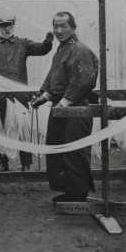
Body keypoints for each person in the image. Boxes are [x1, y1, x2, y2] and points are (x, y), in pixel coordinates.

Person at [30, 12, 99, 205]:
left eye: (63, 26)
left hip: (75, 108)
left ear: (73, 28)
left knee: (74, 150)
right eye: (55, 26)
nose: (58, 31)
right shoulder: (61, 50)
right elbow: (55, 77)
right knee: (58, 149)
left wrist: (65, 103)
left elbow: (84, 81)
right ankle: (69, 191)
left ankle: (79, 193)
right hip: (61, 106)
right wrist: (44, 96)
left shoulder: (81, 50)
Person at [0, 12, 54, 172]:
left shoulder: (23, 43)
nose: (7, 28)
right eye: (3, 25)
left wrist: (48, 42)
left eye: (10, 25)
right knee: (1, 128)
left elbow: (41, 49)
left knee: (23, 129)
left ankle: (26, 164)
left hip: (20, 97)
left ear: (14, 25)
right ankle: (2, 162)